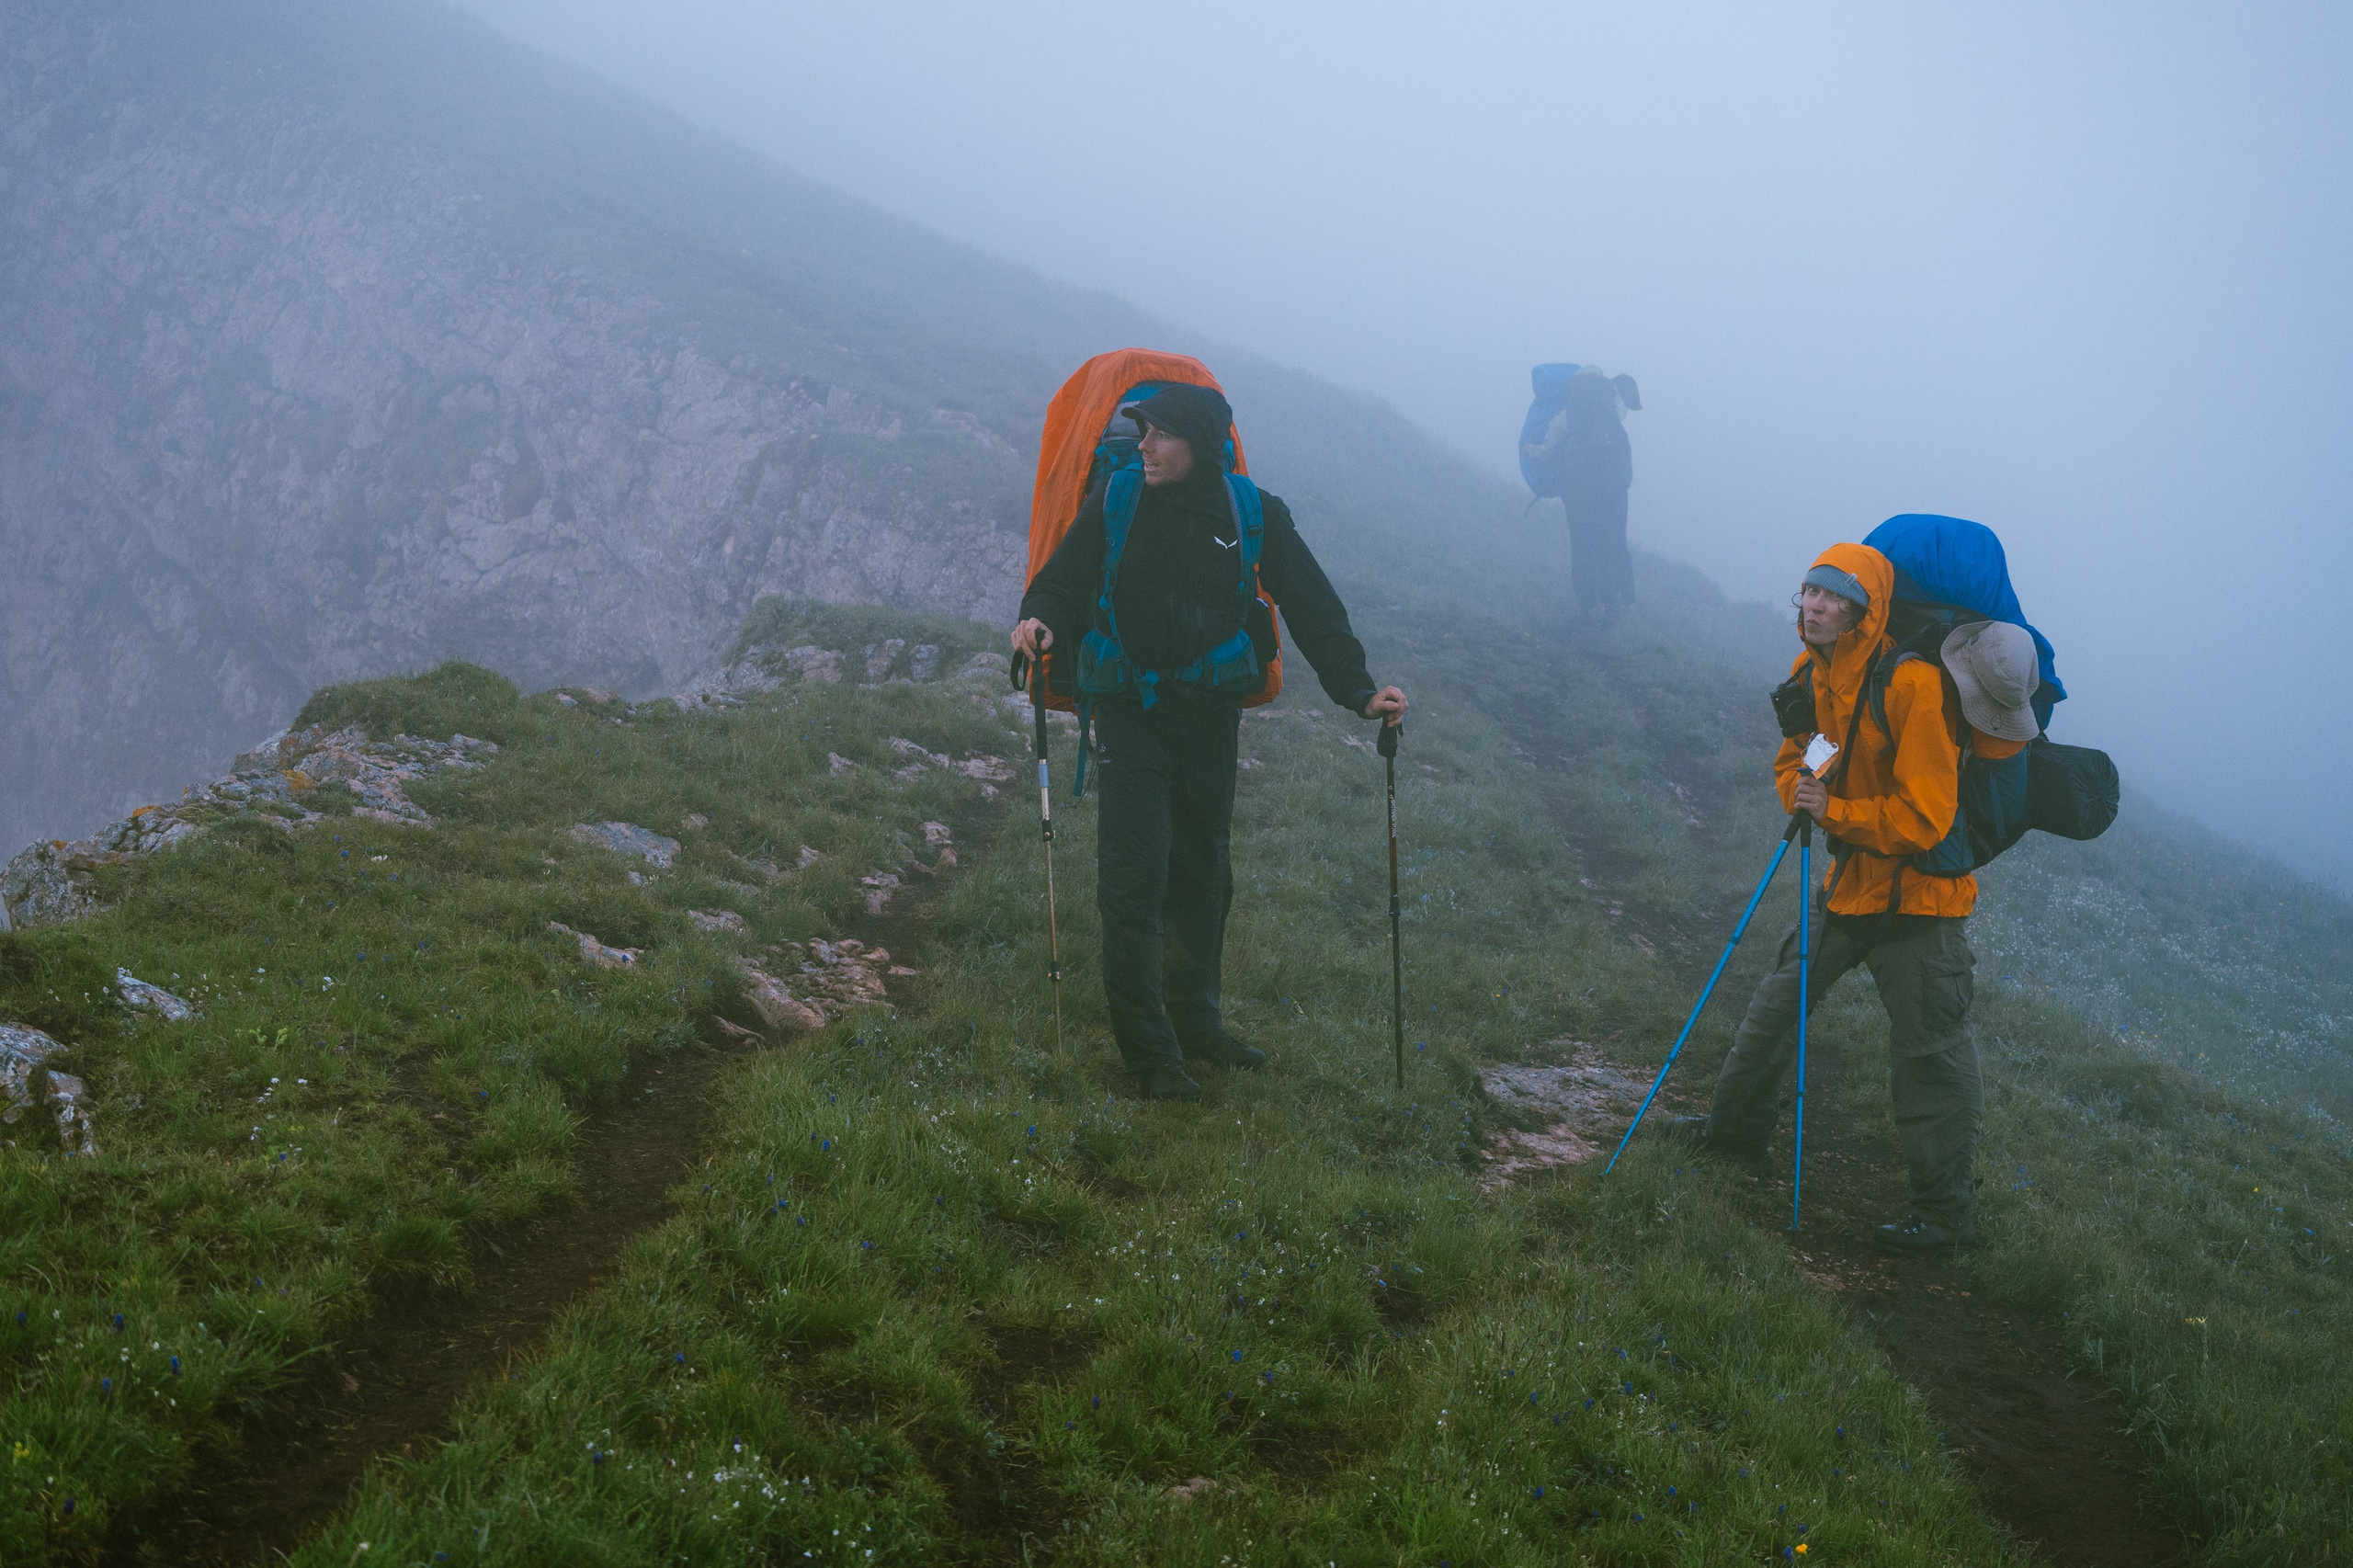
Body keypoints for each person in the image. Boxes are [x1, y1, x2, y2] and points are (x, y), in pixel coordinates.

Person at [1013, 383, 1407, 1101]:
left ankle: (1197, 1024)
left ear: (1200, 445)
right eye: (1142, 433)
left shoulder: (1252, 511)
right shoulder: (1118, 499)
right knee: (1135, 876)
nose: (1146, 447)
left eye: (1161, 435)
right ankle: (1151, 1054)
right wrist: (1037, 619)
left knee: (1202, 872)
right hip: (1131, 710)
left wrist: (1358, 689)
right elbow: (1062, 581)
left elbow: (1312, 602)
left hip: (1209, 717)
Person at [1671, 543, 2038, 1252]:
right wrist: (1804, 797)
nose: (1813, 605)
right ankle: (1733, 1135)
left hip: (1922, 905)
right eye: (1808, 591)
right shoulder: (1813, 669)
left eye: (1832, 597)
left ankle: (1943, 1216)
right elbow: (1798, 756)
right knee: (1775, 1006)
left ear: (1864, 612)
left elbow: (1927, 817)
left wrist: (1833, 815)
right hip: (1851, 888)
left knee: (1931, 1056)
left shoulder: (1913, 686)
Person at [1521, 365, 1641, 622]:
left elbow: (1546, 452)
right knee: (1615, 543)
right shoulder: (1613, 410)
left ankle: (1589, 606)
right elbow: (1623, 412)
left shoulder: (1567, 415)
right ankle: (1623, 603)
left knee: (1584, 546)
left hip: (1579, 490)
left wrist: (1530, 450)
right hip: (1615, 486)